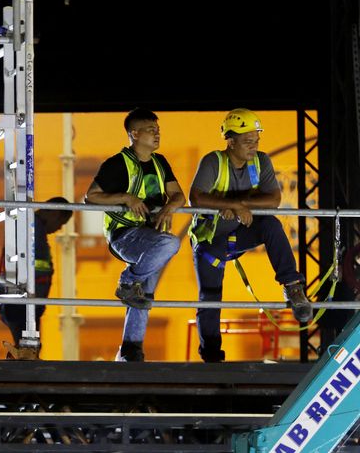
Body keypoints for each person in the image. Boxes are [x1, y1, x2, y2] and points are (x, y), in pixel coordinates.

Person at [189, 108, 313, 363]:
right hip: (211, 241)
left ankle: (292, 287)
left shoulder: (260, 161)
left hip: (239, 235)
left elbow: (274, 199)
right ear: (231, 141)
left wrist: (237, 205)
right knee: (210, 296)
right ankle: (212, 356)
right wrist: (237, 206)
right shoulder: (213, 162)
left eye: (256, 140)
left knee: (271, 224)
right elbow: (197, 197)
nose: (253, 146)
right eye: (247, 142)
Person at [85, 108, 185, 362]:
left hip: (150, 235)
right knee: (171, 243)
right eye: (151, 130)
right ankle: (128, 281)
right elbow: (92, 196)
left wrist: (169, 209)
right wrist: (126, 198)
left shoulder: (161, 163)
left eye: (158, 130)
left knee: (145, 292)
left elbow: (179, 195)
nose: (157, 134)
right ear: (134, 134)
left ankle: (131, 349)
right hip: (124, 235)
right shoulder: (117, 164)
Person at [0, 197, 72, 360]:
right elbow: (33, 266)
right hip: (23, 300)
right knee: (29, 346)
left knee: (29, 345)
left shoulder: (31, 226)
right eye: (60, 222)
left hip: (25, 300)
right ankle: (22, 358)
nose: (58, 228)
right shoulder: (32, 228)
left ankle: (21, 356)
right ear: (54, 213)